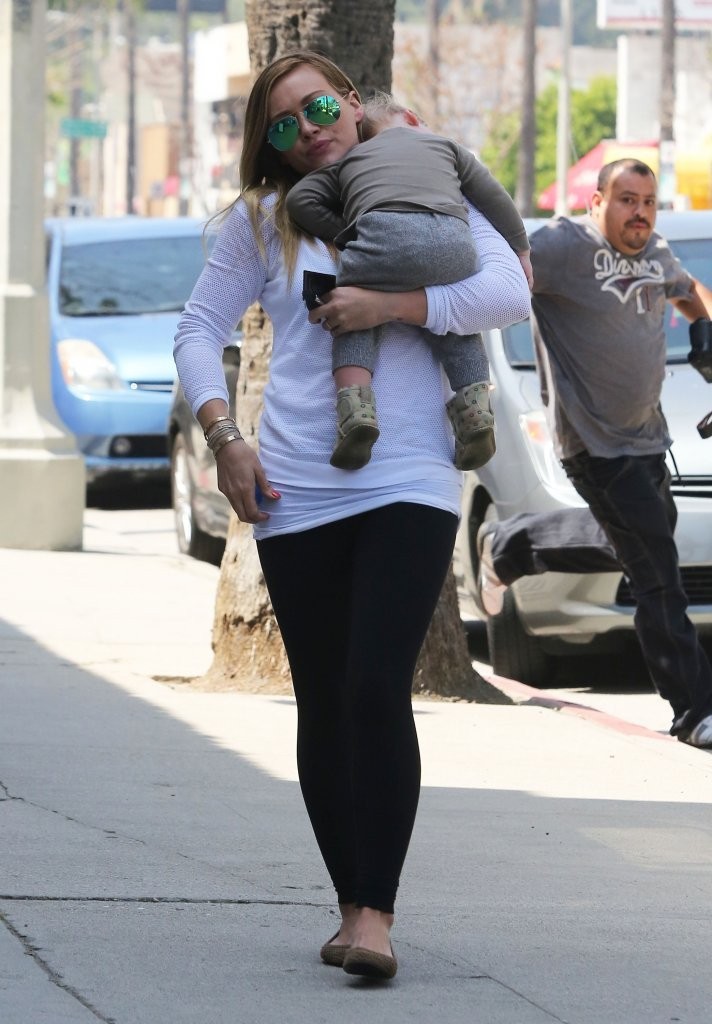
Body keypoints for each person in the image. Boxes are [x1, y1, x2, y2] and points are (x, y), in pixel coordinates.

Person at [174, 50, 530, 980]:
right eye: (284, 125)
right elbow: (196, 330)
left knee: (376, 684)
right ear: (270, 145)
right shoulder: (267, 220)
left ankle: (377, 914)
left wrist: (389, 303)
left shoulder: (426, 175)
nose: (308, 130)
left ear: (351, 101)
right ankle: (347, 904)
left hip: (408, 473)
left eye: (319, 108)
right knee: (326, 697)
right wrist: (225, 437)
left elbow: (507, 289)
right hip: (296, 484)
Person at [477, 158, 712, 749]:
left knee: (631, 544)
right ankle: (694, 709)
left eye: (648, 202)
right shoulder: (563, 247)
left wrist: (707, 328)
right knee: (657, 574)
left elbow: (690, 293)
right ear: (597, 202)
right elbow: (498, 272)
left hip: (649, 436)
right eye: (627, 199)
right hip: (594, 443)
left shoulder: (655, 252)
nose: (640, 213)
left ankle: (511, 545)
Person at [286, 91, 533, 472]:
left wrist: (348, 231)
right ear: (414, 118)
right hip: (454, 245)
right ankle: (475, 411)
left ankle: (356, 412)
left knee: (355, 312)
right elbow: (495, 197)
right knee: (457, 325)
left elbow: (300, 199)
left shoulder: (354, 158)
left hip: (381, 240)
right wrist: (521, 249)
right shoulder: (447, 147)